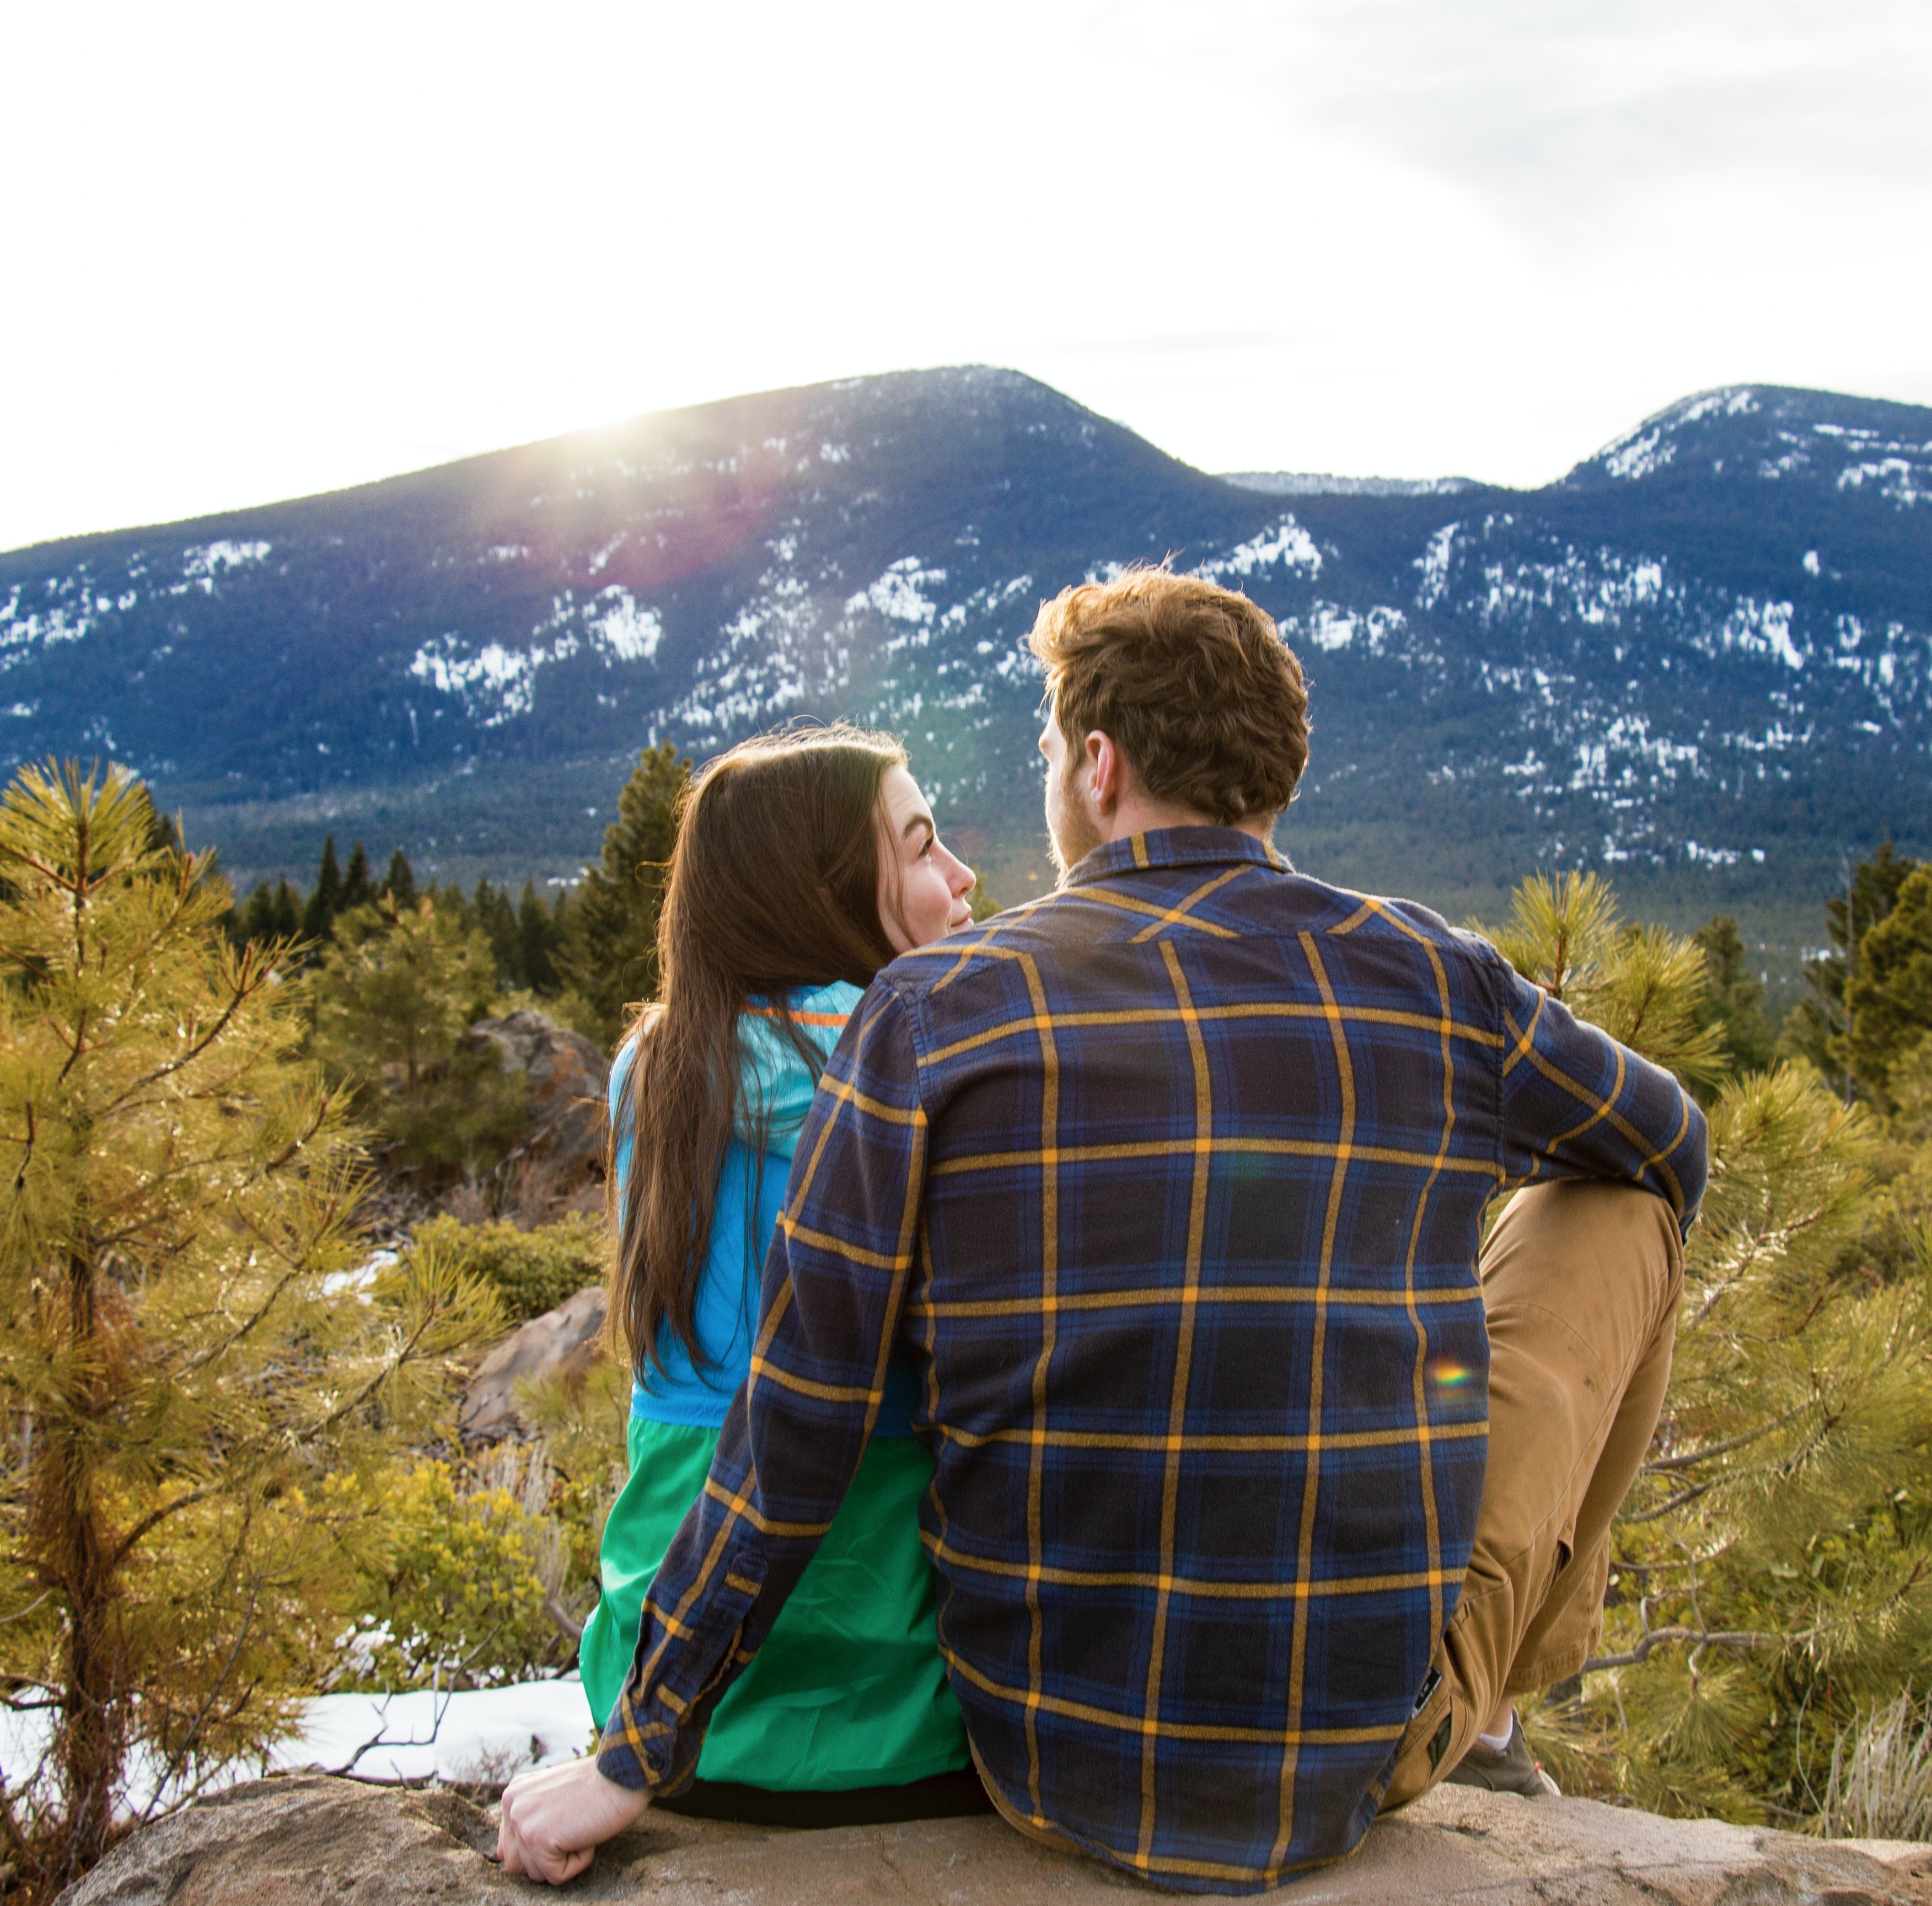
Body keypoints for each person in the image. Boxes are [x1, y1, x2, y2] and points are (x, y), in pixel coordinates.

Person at [500, 569, 1709, 1894]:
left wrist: (638, 1748)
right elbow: (1670, 1144)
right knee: (1622, 1196)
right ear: (1274, 773)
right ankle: (1495, 1700)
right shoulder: (1437, 976)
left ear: (1098, 762)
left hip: (1046, 1758)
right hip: (1359, 1755)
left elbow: (800, 1413)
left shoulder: (931, 1014)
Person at [575, 721, 983, 1825]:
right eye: (921, 847)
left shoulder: (654, 1069)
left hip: (671, 1714)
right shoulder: (932, 1066)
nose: (961, 876)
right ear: (831, 891)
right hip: (901, 1716)